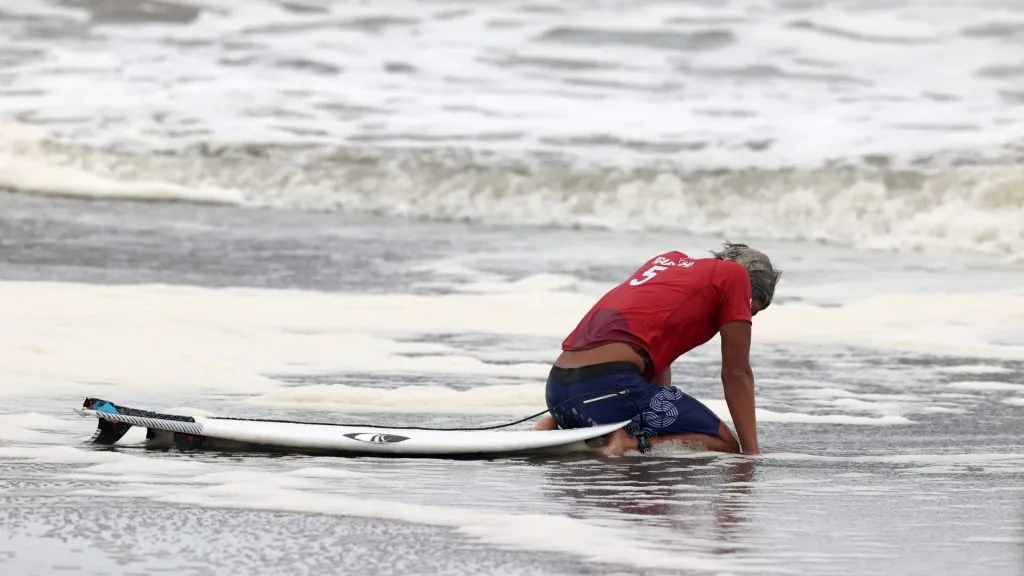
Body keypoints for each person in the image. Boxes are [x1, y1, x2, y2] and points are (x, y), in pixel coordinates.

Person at [533, 242, 781, 456]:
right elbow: (737, 374)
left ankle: (558, 420)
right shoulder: (736, 276)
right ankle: (626, 444)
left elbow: (657, 363)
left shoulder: (668, 263)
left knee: (650, 406)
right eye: (750, 310)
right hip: (607, 389)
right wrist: (752, 454)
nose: (745, 317)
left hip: (558, 392)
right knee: (725, 443)